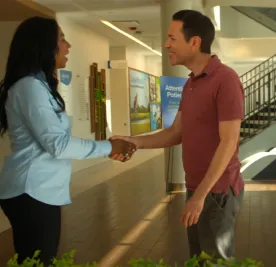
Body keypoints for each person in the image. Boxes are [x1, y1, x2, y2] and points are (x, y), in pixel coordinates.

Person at [0, 17, 135, 265]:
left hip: (39, 191)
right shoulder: (29, 87)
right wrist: (109, 147)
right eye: (61, 39)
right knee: (39, 261)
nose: (68, 45)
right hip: (31, 191)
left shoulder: (38, 85)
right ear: (44, 45)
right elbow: (58, 144)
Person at [111, 10, 244, 260]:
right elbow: (175, 133)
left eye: (172, 38)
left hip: (217, 191)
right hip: (197, 188)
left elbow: (229, 142)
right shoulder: (190, 83)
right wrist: (135, 142)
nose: (166, 44)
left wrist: (201, 196)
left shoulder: (225, 79)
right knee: (198, 259)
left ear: (194, 42)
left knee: (215, 261)